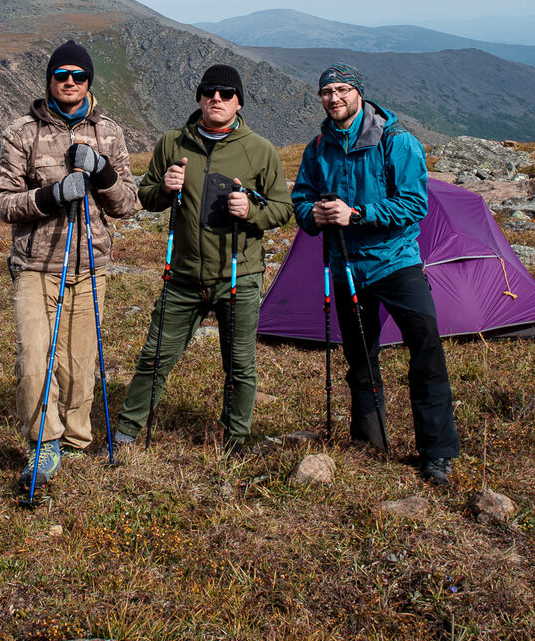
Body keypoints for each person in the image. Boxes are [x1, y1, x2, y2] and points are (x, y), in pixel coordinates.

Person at [290, 63, 460, 487]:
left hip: (396, 262)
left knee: (426, 351)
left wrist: (357, 213)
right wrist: (312, 213)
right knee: (360, 360)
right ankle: (370, 444)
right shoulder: (317, 148)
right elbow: (300, 200)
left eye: (343, 89)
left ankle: (437, 452)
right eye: (327, 91)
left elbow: (414, 205)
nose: (335, 98)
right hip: (346, 267)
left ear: (359, 93)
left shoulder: (395, 141)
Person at [112, 64, 293, 453]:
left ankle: (235, 440)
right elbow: (145, 196)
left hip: (239, 276)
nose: (217, 98)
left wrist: (251, 212)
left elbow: (281, 209)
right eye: (209, 91)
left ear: (239, 102)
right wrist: (163, 187)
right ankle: (127, 431)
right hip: (182, 276)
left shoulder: (259, 150)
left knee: (240, 365)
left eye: (226, 93)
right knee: (155, 355)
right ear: (198, 97)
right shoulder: (173, 142)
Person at [0, 41, 140, 494]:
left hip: (90, 265)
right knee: (36, 359)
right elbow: (3, 203)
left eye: (78, 75)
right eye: (61, 75)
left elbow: (128, 205)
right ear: (50, 81)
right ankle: (45, 441)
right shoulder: (23, 131)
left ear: (89, 81)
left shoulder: (110, 133)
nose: (70, 82)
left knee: (80, 363)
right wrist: (50, 196)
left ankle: (76, 435)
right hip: (37, 266)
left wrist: (103, 173)